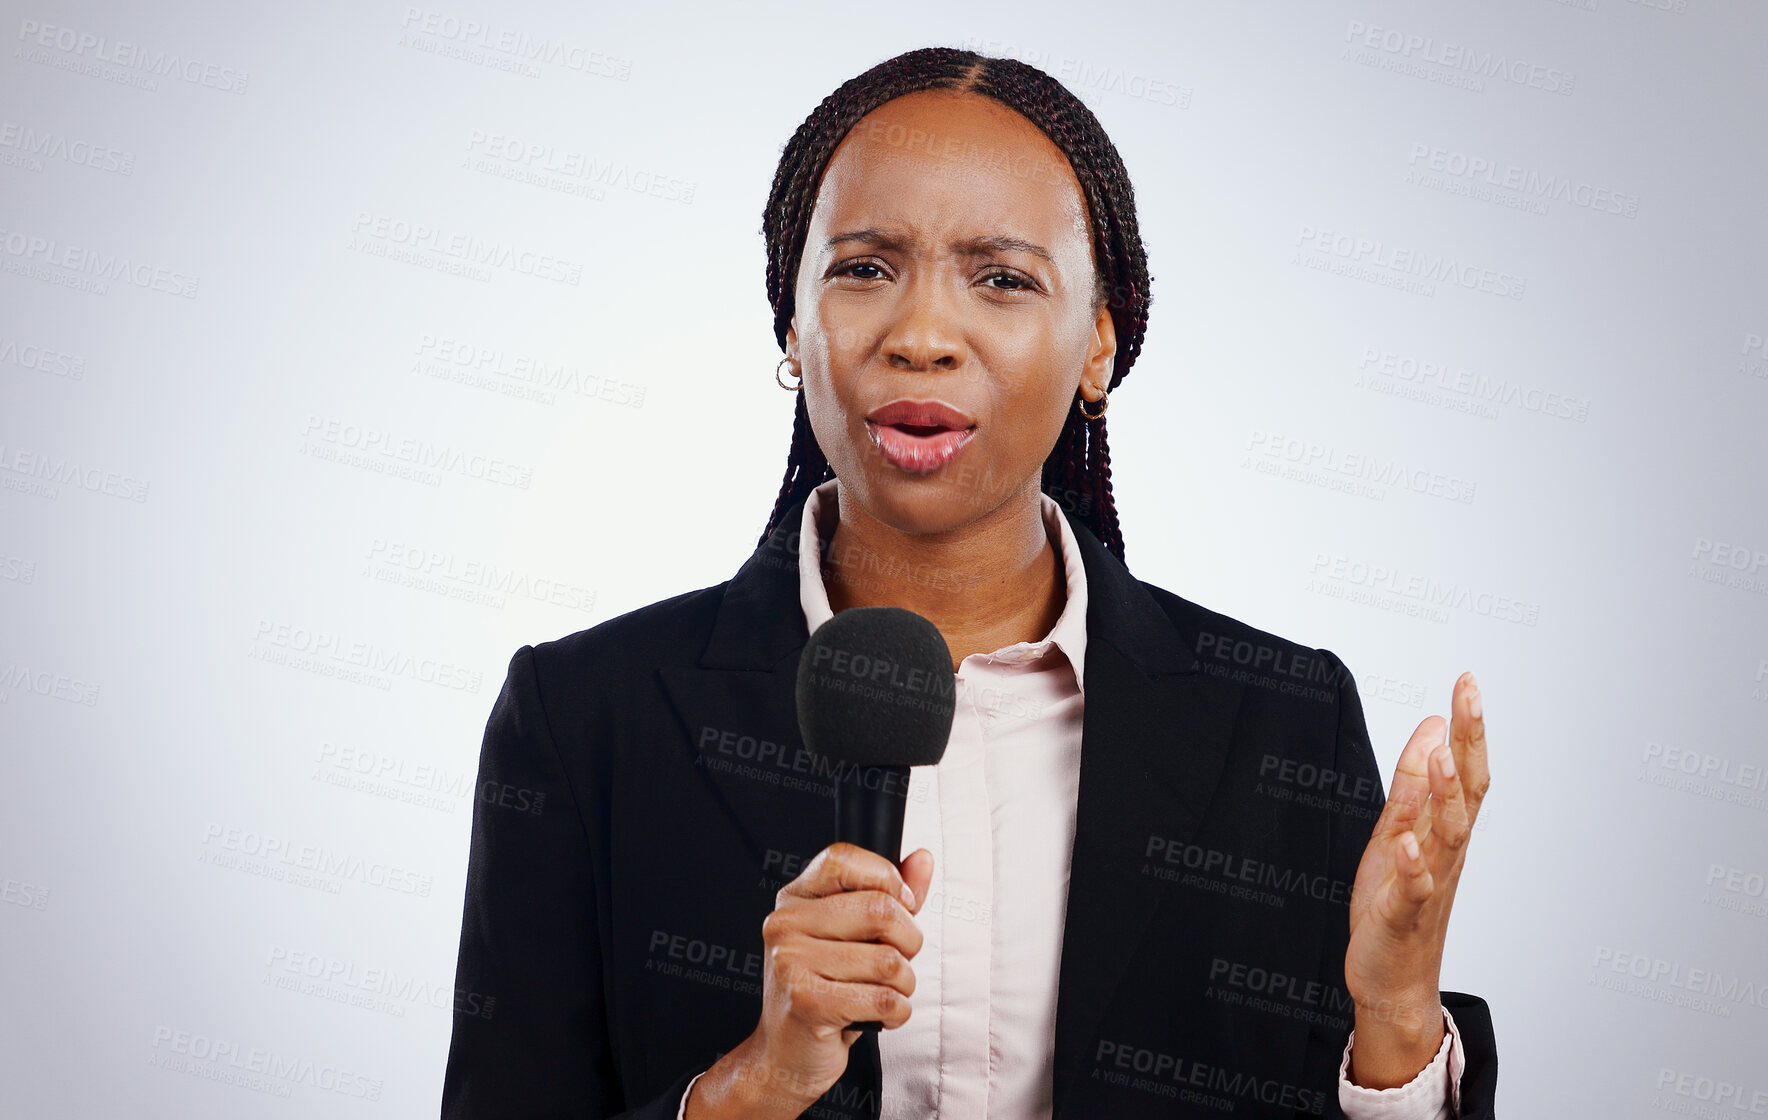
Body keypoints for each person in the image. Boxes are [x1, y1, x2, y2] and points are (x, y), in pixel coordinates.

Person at [441, 46, 1496, 1120]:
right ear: (791, 326)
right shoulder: (585, 720)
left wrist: (1398, 1021)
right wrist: (751, 1086)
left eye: (1001, 277)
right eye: (863, 267)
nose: (922, 336)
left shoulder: (1280, 724)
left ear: (1098, 344)